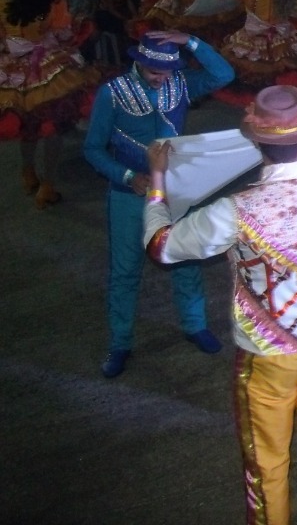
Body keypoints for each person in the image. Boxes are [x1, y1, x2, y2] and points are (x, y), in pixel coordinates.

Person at [141, 86, 297, 525]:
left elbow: (161, 247)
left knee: (268, 462)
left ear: (255, 142)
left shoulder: (234, 211)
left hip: (268, 353)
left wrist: (157, 184)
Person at [83, 31, 234, 378]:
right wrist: (126, 177)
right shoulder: (112, 93)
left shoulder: (179, 83)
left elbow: (224, 74)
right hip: (130, 194)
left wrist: (191, 41)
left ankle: (195, 325)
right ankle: (120, 342)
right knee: (125, 271)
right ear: (138, 62)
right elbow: (92, 148)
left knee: (186, 261)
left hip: (175, 190)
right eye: (154, 70)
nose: (161, 77)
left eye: (166, 71)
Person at [0, 0, 101, 206]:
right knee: (52, 127)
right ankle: (47, 186)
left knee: (27, 124)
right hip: (50, 68)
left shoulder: (3, 1)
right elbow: (64, 35)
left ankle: (28, 173)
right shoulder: (53, 1)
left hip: (14, 70)